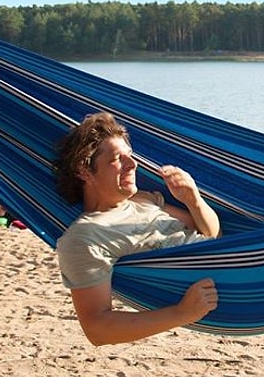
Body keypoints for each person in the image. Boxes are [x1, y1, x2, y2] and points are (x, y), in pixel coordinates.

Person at [54, 112, 221, 346]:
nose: (133, 165)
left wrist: (193, 200)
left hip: (236, 260)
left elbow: (211, 235)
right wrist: (182, 313)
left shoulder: (144, 200)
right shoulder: (85, 237)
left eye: (130, 156)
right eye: (117, 159)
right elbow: (97, 328)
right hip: (225, 287)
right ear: (84, 170)